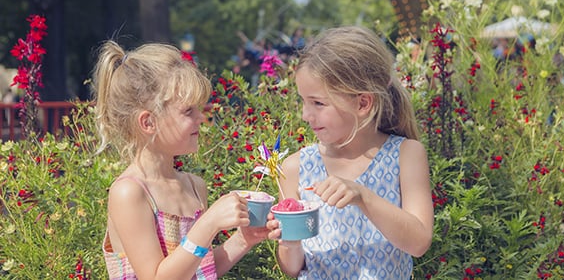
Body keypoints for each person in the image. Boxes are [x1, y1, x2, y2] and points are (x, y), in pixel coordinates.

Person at [93, 40, 269, 279]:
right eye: (189, 111)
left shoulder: (194, 186)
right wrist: (209, 223)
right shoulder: (130, 192)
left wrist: (242, 240)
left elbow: (198, 268)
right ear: (148, 122)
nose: (201, 118)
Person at [268, 26, 434, 279]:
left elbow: (418, 242)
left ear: (363, 103)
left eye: (318, 103)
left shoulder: (405, 154)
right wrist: (290, 243)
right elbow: (293, 269)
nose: (305, 115)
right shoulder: (295, 167)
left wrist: (363, 197)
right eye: (303, 101)